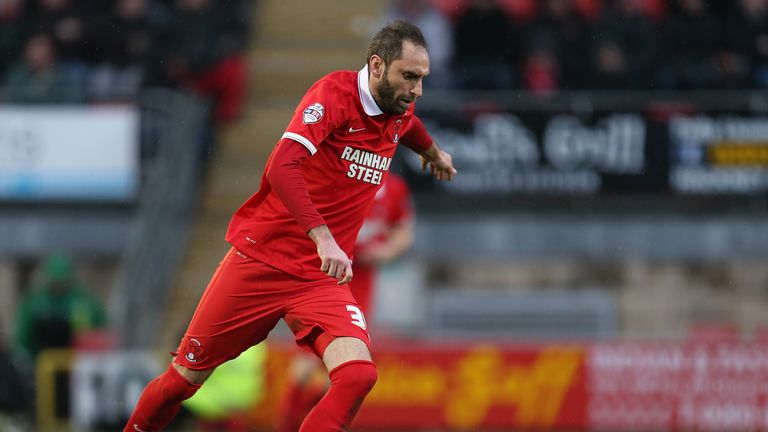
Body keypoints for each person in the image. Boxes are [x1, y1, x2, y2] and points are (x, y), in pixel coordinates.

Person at [124, 20, 456, 432]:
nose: (417, 90)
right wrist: (323, 238)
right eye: (409, 76)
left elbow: (410, 127)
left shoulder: (398, 108)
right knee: (182, 381)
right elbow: (282, 165)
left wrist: (433, 153)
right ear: (376, 65)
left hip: (318, 279)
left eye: (422, 78)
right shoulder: (335, 96)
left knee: (358, 375)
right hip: (263, 260)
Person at [276, 173, 415, 432]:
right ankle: (289, 426)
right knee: (306, 367)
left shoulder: (395, 188)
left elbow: (403, 233)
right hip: (325, 275)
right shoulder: (343, 175)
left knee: (343, 373)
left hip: (361, 282)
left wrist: (385, 252)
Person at [14, 254, 107, 361]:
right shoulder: (35, 301)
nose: (59, 286)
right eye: (55, 281)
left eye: (62, 281)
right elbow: (22, 336)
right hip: (41, 360)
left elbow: (100, 329)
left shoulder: (83, 301)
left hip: (78, 361)